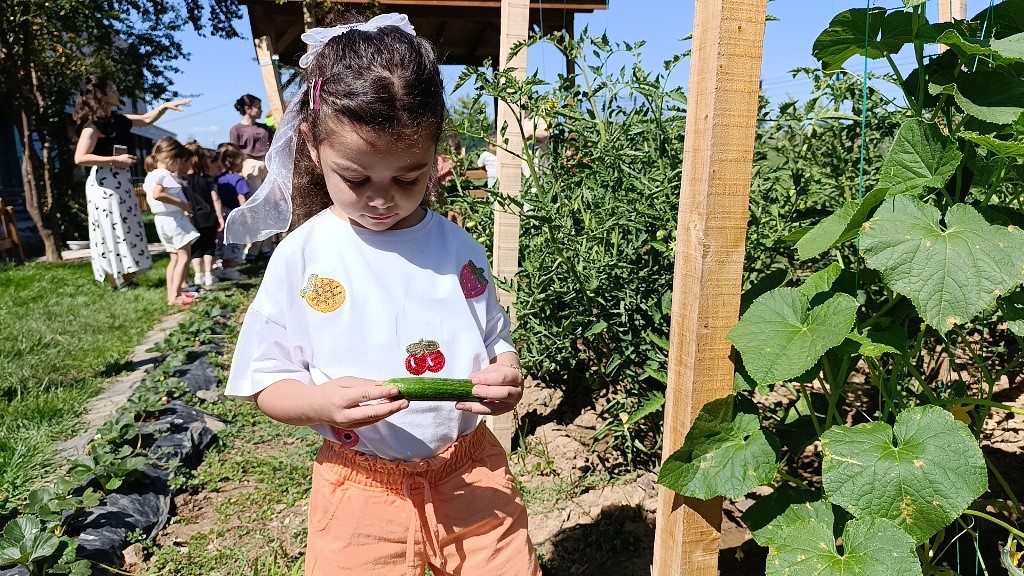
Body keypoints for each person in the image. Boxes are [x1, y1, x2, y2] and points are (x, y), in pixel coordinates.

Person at [222, 14, 540, 576]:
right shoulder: (304, 257)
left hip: (472, 475)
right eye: (357, 179)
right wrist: (320, 405)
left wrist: (506, 374)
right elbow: (265, 381)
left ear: (436, 157)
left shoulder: (460, 248)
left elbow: (494, 337)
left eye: (408, 178)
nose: (381, 199)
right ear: (314, 150)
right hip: (360, 488)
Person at [72, 75, 190, 288]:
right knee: (113, 228)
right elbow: (80, 157)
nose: (117, 92)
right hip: (105, 183)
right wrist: (114, 160)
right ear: (103, 96)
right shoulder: (92, 126)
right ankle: (117, 279)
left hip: (122, 181)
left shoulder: (117, 120)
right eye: (112, 88)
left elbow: (145, 120)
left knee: (127, 227)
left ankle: (128, 276)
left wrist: (163, 107)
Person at [143, 137, 201, 306]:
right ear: (173, 160)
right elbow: (158, 194)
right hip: (173, 220)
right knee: (184, 256)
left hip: (161, 220)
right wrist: (182, 204)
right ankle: (175, 295)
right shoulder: (164, 175)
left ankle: (173, 295)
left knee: (174, 258)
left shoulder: (151, 175)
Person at [230, 94, 276, 259]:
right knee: (255, 206)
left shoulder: (264, 128)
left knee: (269, 205)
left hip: (267, 165)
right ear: (248, 109)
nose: (261, 109)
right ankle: (253, 248)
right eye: (257, 106)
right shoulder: (237, 129)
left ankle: (266, 246)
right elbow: (233, 153)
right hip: (249, 167)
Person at [183, 142, 225, 287]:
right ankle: (208, 275)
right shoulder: (208, 179)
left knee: (197, 248)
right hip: (209, 217)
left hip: (191, 218)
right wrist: (220, 216)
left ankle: (198, 275)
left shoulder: (182, 181)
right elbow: (216, 198)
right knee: (209, 246)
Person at [212, 143, 249, 281]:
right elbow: (241, 198)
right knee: (235, 242)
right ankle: (230, 269)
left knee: (223, 241)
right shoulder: (238, 179)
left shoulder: (218, 179)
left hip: (222, 214)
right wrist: (247, 214)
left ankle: (222, 267)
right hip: (235, 215)